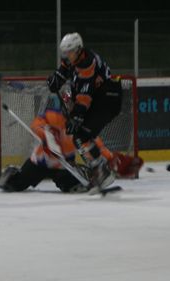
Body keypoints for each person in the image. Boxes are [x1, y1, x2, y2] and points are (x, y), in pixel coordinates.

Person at [0, 94, 142, 193]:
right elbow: (36, 124)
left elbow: (96, 145)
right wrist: (47, 136)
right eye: (71, 105)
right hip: (41, 162)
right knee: (13, 185)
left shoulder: (83, 127)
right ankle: (12, 172)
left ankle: (82, 176)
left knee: (74, 187)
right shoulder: (53, 116)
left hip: (64, 166)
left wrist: (111, 158)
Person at [46, 32, 123, 190]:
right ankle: (102, 167)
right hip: (99, 98)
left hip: (108, 99)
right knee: (80, 136)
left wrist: (77, 116)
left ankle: (102, 171)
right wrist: (55, 80)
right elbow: (62, 73)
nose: (66, 56)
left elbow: (84, 96)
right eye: (65, 52)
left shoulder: (87, 63)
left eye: (69, 52)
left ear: (78, 49)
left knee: (81, 135)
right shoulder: (72, 59)